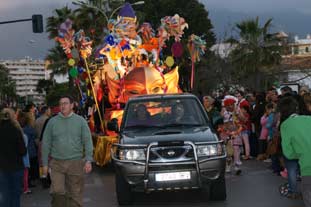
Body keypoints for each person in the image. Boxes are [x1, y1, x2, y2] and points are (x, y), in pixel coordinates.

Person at [42, 95, 93, 207]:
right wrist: (45, 164)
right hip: (57, 163)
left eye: (65, 103)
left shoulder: (80, 121)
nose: (62, 106)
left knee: (75, 194)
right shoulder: (52, 122)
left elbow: (88, 141)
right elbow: (45, 143)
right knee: (57, 192)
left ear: (71, 105)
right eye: (61, 104)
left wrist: (89, 159)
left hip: (75, 163)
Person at [279, 96, 311, 204]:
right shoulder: (309, 118)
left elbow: (288, 153)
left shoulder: (285, 125)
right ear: (296, 108)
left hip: (308, 166)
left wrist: (300, 154)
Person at [0, 108, 27, 207]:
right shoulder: (16, 130)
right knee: (15, 195)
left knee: (4, 195)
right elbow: (23, 151)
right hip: (16, 167)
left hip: (2, 168)